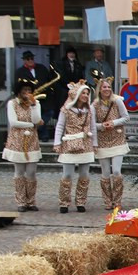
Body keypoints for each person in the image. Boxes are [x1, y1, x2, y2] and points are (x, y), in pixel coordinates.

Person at [53, 81, 97, 213]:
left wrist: (95, 144)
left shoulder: (89, 110)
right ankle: (64, 202)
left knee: (84, 174)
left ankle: (81, 201)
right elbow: (60, 126)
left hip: (85, 143)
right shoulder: (66, 109)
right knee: (67, 174)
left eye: (87, 93)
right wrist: (57, 142)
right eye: (83, 93)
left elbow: (93, 127)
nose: (85, 95)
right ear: (77, 94)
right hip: (69, 142)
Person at [3, 79, 44, 212]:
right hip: (17, 139)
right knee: (19, 171)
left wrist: (33, 106)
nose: (27, 93)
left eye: (29, 90)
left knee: (31, 172)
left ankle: (31, 201)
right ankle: (21, 201)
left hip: (32, 139)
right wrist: (31, 125)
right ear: (19, 91)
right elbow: (13, 122)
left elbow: (37, 120)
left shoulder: (36, 103)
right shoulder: (12, 103)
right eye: (24, 90)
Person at [92, 77, 130, 211]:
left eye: (108, 87)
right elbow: (91, 125)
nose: (107, 89)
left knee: (116, 171)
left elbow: (126, 117)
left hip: (117, 139)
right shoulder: (95, 105)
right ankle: (107, 200)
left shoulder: (117, 101)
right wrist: (102, 126)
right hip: (103, 141)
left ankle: (117, 200)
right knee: (105, 172)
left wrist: (113, 123)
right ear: (100, 89)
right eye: (104, 87)